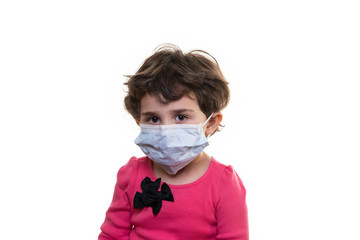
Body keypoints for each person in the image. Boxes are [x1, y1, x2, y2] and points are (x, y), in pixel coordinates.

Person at [98, 44, 249, 240]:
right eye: (153, 119)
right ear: (140, 123)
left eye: (180, 117)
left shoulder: (224, 183)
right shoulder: (130, 174)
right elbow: (112, 235)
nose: (165, 130)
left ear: (210, 122)